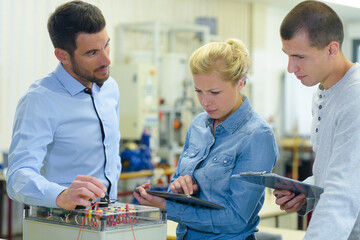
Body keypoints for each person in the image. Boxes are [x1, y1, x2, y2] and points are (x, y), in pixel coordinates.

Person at [134, 39, 278, 240]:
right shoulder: (199, 124)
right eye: (198, 91)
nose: (205, 101)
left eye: (214, 92)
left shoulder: (257, 135)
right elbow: (175, 182)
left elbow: (235, 219)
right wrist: (178, 187)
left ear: (240, 83)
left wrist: (167, 207)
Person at [6, 1, 121, 211]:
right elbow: (17, 176)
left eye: (106, 45)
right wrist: (61, 195)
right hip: (60, 224)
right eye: (92, 53)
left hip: (106, 222)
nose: (107, 59)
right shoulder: (40, 100)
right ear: (62, 56)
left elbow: (112, 159)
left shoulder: (110, 89)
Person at [273, 1, 360, 239]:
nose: (291, 67)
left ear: (332, 49)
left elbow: (342, 192)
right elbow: (335, 171)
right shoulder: (322, 91)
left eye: (299, 56)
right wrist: (306, 193)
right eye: (288, 55)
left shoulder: (356, 96)